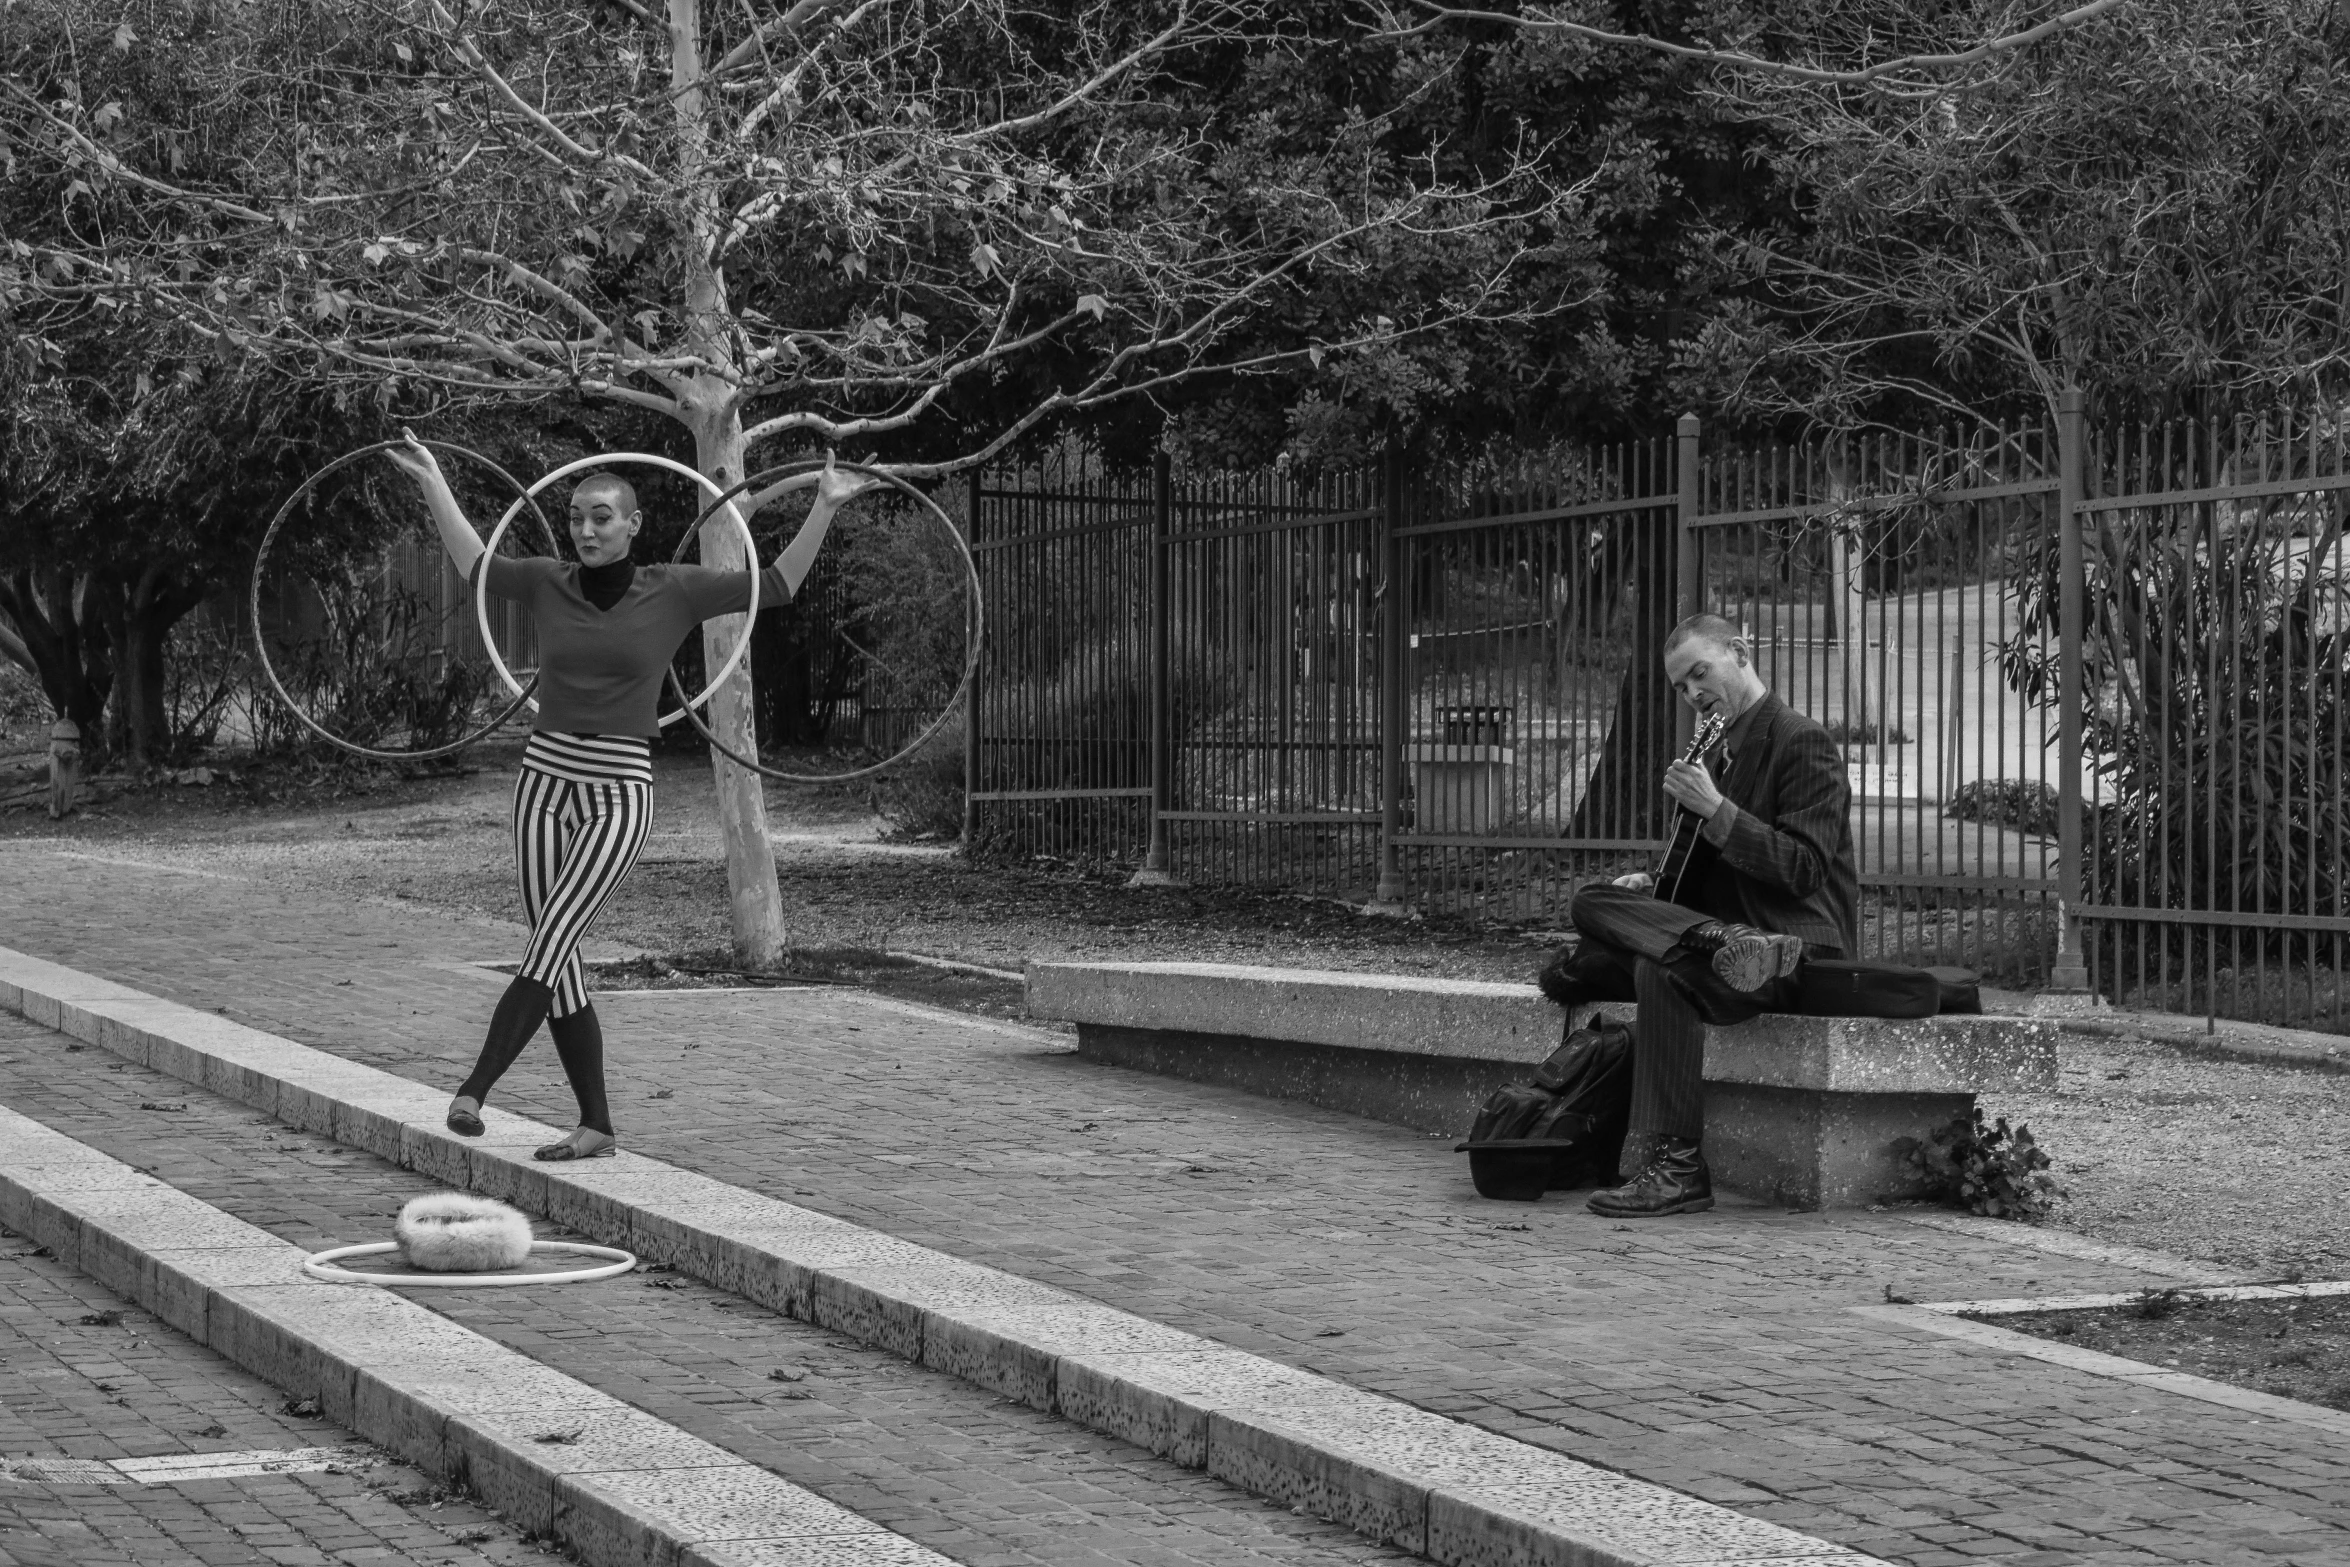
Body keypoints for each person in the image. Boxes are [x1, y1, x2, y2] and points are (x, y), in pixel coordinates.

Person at [386, 434, 865, 1160]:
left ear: (634, 524)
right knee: (564, 956)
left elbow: (779, 584)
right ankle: (597, 1125)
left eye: (602, 517)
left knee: (549, 942)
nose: (585, 529)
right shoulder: (547, 580)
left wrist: (824, 507)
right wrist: (432, 482)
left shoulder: (674, 588)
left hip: (618, 791)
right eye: (576, 515)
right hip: (543, 783)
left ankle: (474, 1088)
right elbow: (474, 564)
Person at [1537, 612, 1857, 1217]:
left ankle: (1679, 1167)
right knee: (1593, 901)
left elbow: (1804, 870)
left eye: (1699, 674)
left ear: (1740, 652)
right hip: (1722, 945)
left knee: (1662, 969)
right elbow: (1700, 872)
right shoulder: (1713, 750)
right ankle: (1713, 938)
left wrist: (1716, 809)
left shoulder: (1801, 740)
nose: (1692, 695)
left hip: (1793, 945)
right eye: (1681, 687)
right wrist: (1653, 884)